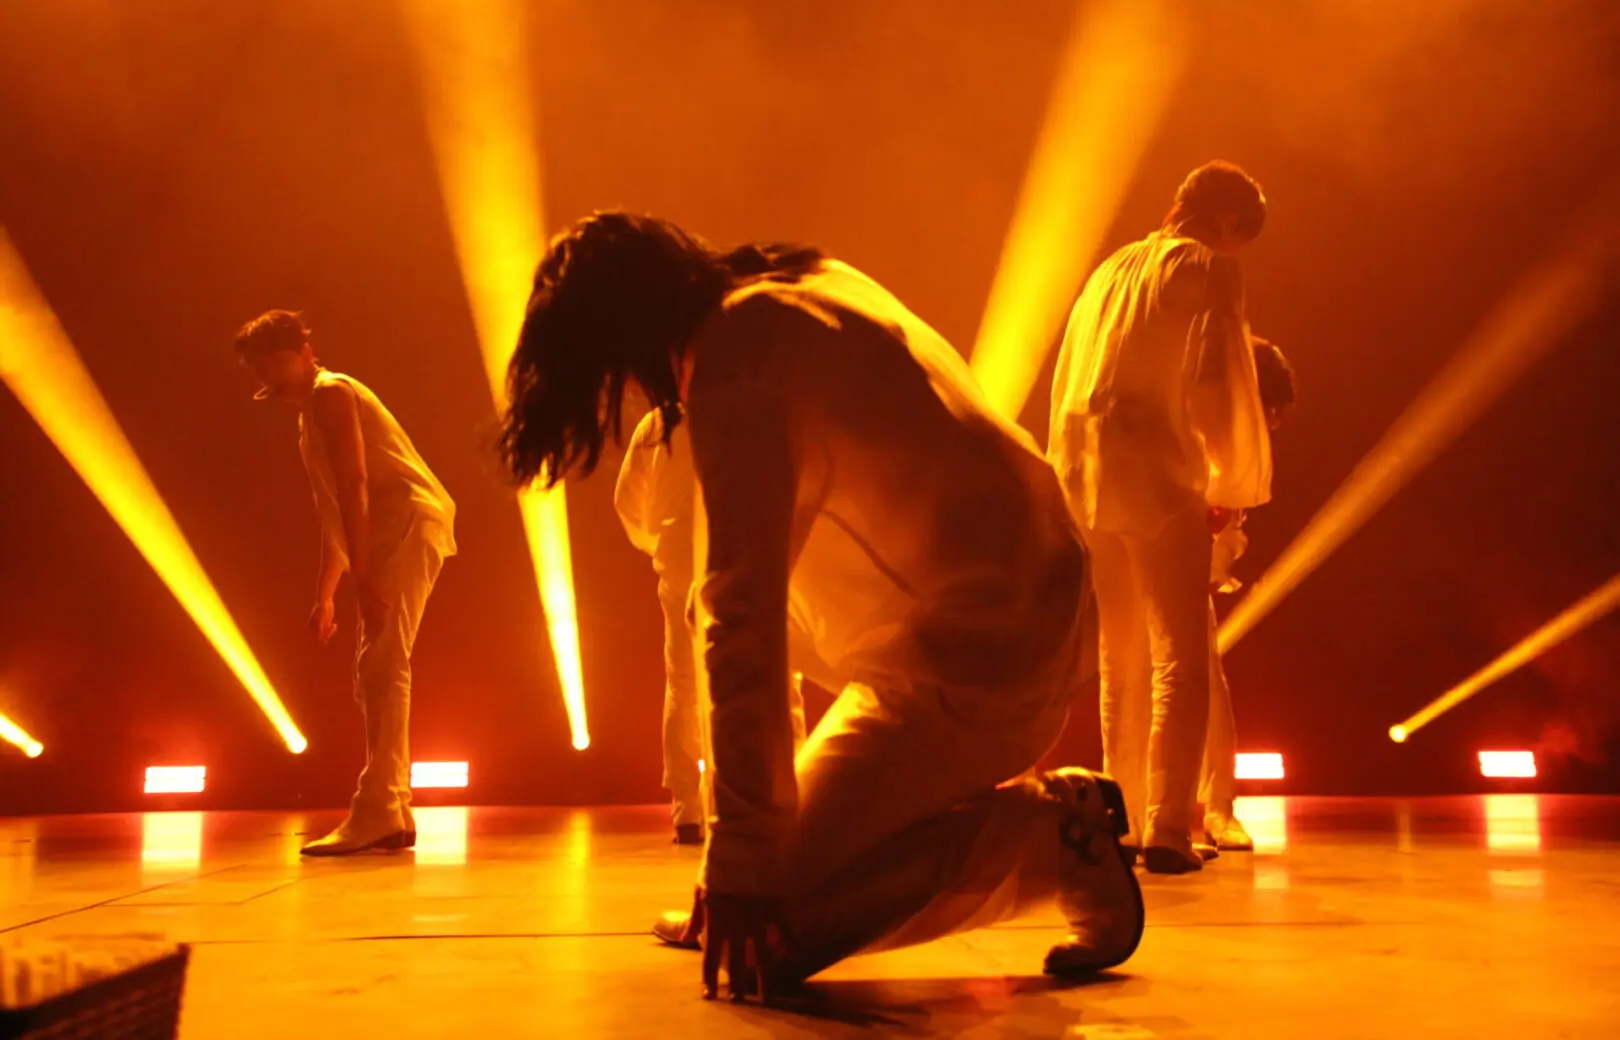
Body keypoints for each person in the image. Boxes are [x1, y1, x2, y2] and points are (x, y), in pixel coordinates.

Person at [500, 213, 1143, 1001]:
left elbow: (741, 614)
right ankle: (1025, 827)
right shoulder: (802, 282)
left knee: (766, 942)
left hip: (975, 658)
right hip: (1026, 610)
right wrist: (744, 858)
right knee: (773, 872)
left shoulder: (736, 364)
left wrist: (744, 865)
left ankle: (1048, 838)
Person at [1048, 161, 1274, 874]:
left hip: (1087, 478)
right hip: (1159, 473)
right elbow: (1216, 378)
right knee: (1180, 652)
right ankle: (1169, 827)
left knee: (1120, 658)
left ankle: (1121, 817)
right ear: (1229, 223)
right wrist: (1226, 476)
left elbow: (1072, 381)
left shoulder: (1110, 271)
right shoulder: (1206, 268)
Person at [236, 310, 456, 856]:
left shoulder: (332, 393)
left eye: (271, 361)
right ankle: (393, 811)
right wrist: (327, 590)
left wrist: (361, 577)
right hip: (387, 532)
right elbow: (335, 511)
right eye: (257, 366)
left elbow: (357, 484)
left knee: (384, 661)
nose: (264, 374)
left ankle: (379, 809)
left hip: (404, 523)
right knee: (378, 665)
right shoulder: (313, 410)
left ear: (302, 352)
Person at [614, 405, 816, 845]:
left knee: (684, 680)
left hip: (683, 560)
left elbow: (629, 503)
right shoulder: (758, 407)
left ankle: (689, 807)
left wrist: (663, 543)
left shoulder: (657, 424)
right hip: (748, 552)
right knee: (776, 666)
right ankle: (791, 790)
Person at [1200, 335, 1296, 851]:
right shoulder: (1203, 419)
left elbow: (1229, 517)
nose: (1273, 422)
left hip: (1190, 561)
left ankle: (1216, 808)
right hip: (1158, 550)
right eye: (1272, 408)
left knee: (1206, 686)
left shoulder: (1240, 438)